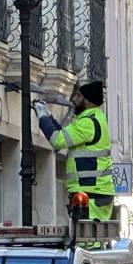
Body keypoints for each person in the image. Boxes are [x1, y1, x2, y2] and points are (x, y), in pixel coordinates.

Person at [35, 80, 115, 221]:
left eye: (78, 96)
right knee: (88, 238)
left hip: (91, 193)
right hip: (94, 193)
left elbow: (57, 140)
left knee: (88, 240)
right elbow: (64, 136)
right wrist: (49, 117)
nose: (73, 99)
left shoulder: (87, 123)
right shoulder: (95, 119)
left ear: (88, 101)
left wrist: (42, 117)